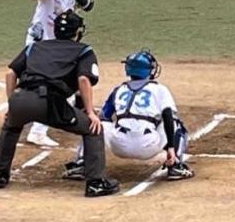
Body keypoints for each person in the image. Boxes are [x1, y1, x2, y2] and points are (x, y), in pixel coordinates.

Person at [0, 11, 119, 198]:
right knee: (92, 129)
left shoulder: (34, 47)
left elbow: (11, 73)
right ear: (77, 32)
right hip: (49, 103)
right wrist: (90, 112)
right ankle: (96, 183)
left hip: (20, 98)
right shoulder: (83, 50)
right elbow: (84, 79)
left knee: (11, 126)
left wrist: (12, 104)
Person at [63, 49, 194, 183]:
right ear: (148, 70)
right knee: (175, 122)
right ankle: (175, 165)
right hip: (148, 146)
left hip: (119, 145)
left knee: (97, 123)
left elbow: (104, 116)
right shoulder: (160, 89)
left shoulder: (119, 89)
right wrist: (170, 147)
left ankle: (81, 163)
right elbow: (167, 116)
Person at [23, 0, 95, 147]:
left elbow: (87, 5)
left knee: (55, 86)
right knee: (55, 88)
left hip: (57, 49)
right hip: (40, 44)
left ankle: (37, 115)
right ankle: (37, 131)